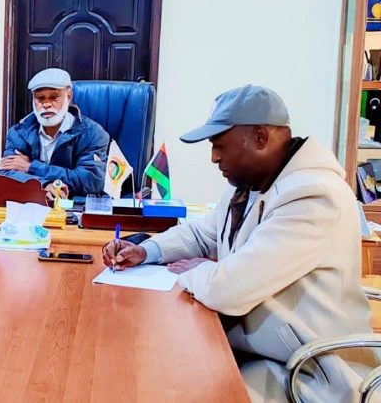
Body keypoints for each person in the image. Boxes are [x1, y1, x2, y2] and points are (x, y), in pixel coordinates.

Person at [102, 86, 375, 402]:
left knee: (175, 388)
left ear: (260, 137)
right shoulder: (250, 186)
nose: (214, 157)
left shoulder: (313, 196)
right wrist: (146, 250)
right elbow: (204, 234)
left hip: (309, 370)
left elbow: (226, 290)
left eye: (220, 146)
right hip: (260, 348)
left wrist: (198, 269)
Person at [0, 68, 109, 200]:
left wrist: (31, 167)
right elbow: (5, 173)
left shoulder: (92, 133)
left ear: (69, 96)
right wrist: (43, 185)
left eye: (53, 97)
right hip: (32, 204)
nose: (46, 104)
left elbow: (91, 181)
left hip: (75, 205)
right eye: (40, 98)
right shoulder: (19, 132)